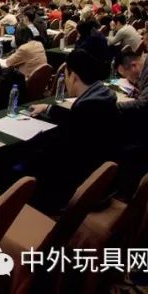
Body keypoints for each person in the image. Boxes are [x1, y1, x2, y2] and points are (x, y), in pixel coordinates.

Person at [28, 50, 119, 213]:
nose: (65, 81)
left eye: (66, 76)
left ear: (74, 77)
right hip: (99, 179)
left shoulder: (85, 111)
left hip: (71, 188)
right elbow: (75, 118)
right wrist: (48, 108)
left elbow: (60, 152)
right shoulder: (104, 98)